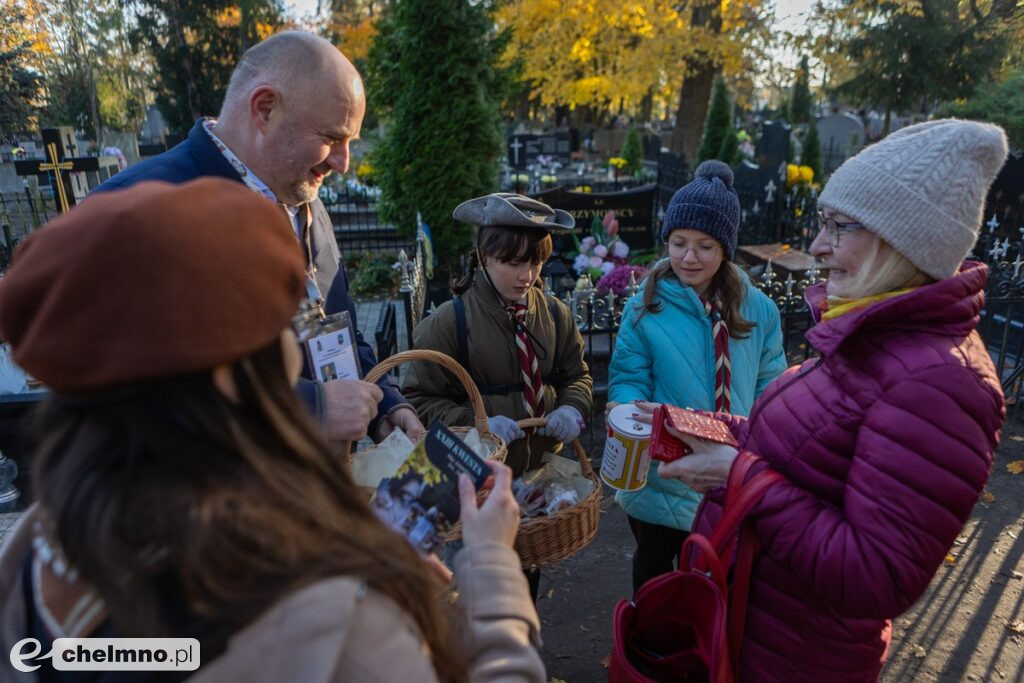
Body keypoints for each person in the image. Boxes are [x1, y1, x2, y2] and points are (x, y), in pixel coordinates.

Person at [0, 179, 544, 682]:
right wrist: (489, 563)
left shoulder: (36, 548)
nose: (301, 342)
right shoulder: (319, 618)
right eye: (286, 323)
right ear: (228, 375)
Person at [656, 119, 1008, 680]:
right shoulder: (869, 332)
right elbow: (802, 446)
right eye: (825, 223)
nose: (818, 246)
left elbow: (876, 575)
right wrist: (706, 430)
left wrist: (739, 476)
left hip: (796, 659)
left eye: (839, 227)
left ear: (902, 241)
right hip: (755, 632)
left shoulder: (941, 383)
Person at [92, 30, 422, 446]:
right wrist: (309, 409)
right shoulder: (137, 209)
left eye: (350, 142)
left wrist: (385, 402)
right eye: (331, 138)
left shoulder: (304, 199)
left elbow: (334, 327)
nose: (343, 163)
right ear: (265, 108)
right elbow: (135, 395)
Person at [607, 160, 786, 592]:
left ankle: (703, 652)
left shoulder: (758, 309)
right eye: (679, 243)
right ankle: (648, 651)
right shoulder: (645, 306)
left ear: (725, 248)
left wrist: (762, 443)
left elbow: (769, 383)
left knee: (717, 578)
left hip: (728, 469)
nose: (689, 257)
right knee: (653, 573)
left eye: (705, 245)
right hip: (661, 473)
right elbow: (630, 373)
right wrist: (627, 407)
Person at [402, 193, 593, 478]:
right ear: (483, 256)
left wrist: (572, 407)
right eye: (513, 263)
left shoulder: (555, 313)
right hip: (478, 477)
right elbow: (419, 400)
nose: (526, 276)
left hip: (545, 476)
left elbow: (578, 376)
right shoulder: (448, 322)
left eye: (534, 262)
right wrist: (478, 425)